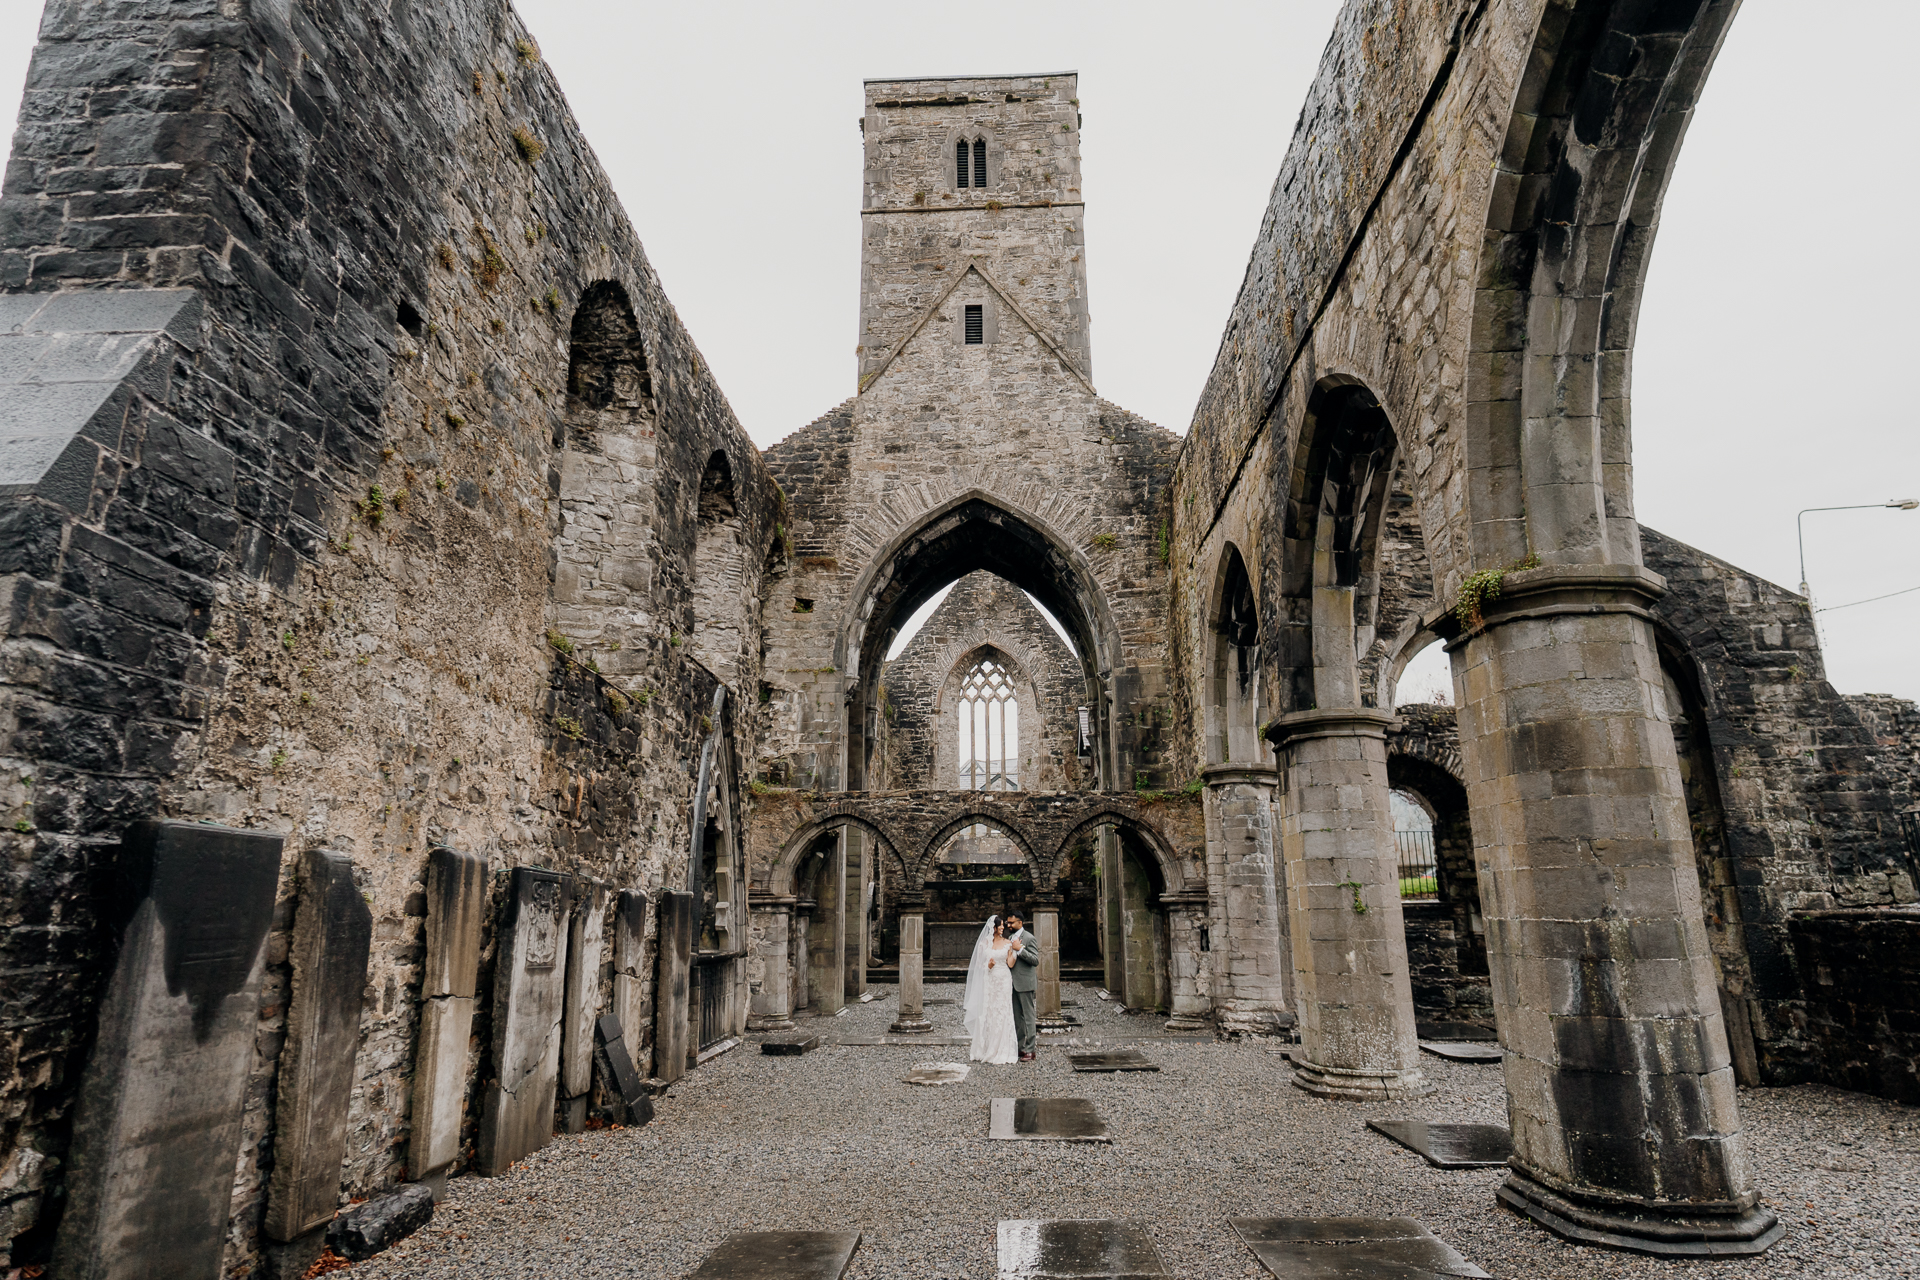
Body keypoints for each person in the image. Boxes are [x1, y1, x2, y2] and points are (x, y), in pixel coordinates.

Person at [962, 915, 1019, 1065]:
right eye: (999, 926)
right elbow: (979, 966)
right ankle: (987, 1047)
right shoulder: (984, 944)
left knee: (1002, 1010)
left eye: (1003, 926)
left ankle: (1002, 1048)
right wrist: (989, 966)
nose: (1002, 928)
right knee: (989, 1010)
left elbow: (1011, 964)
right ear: (993, 928)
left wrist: (1015, 951)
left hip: (1004, 980)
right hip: (990, 979)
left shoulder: (1008, 943)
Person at [1004, 912, 1041, 1061]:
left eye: (1011, 923)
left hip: (1025, 983)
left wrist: (1020, 950)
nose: (1008, 925)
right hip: (1012, 983)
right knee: (1017, 1018)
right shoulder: (1010, 938)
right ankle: (1020, 1048)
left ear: (1020, 922)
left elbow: (1035, 960)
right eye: (1008, 922)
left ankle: (1030, 1050)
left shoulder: (1029, 938)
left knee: (1028, 1017)